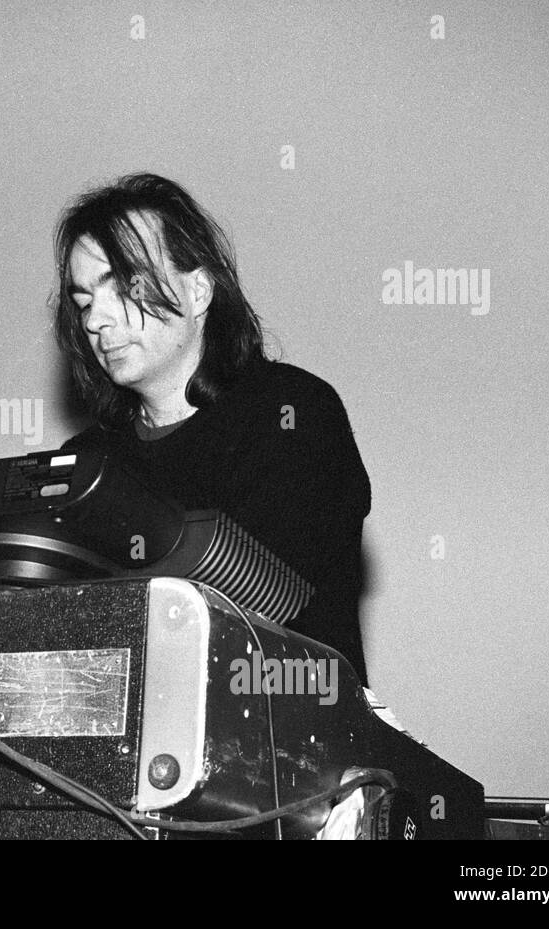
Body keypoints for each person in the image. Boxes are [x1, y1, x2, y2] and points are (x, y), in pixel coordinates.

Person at [54, 173, 373, 684]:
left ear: (198, 290)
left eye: (123, 286)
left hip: (284, 725)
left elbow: (277, 612)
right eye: (85, 300)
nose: (97, 320)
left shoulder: (291, 413)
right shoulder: (87, 463)